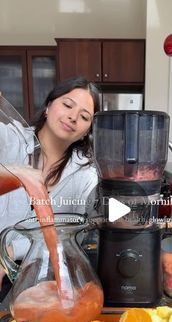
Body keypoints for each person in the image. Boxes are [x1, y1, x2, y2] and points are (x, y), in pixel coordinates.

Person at [0, 75, 101, 295]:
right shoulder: (10, 140)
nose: (73, 117)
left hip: (40, 277)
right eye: (67, 105)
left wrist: (8, 251)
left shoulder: (86, 175)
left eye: (84, 117)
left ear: (87, 130)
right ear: (48, 106)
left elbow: (68, 236)